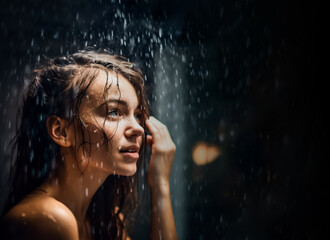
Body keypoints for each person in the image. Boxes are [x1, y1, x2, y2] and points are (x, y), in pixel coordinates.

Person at [0, 50, 177, 240]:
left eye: (138, 115)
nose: (139, 129)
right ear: (61, 131)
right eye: (114, 112)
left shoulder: (101, 220)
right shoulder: (49, 218)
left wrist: (160, 184)